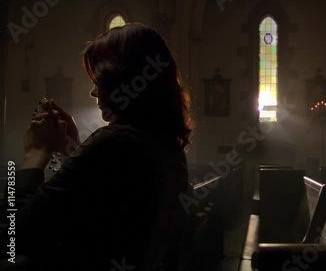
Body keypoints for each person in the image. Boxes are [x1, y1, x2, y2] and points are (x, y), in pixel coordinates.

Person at [1, 23, 193, 271]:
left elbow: (15, 236)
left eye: (101, 80)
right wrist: (73, 150)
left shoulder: (114, 141)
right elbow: (101, 208)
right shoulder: (167, 147)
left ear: (129, 82)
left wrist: (34, 155)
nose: (93, 92)